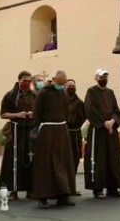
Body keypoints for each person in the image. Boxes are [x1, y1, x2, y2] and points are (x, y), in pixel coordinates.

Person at [32, 71, 76, 209]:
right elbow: (37, 114)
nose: (62, 86)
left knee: (63, 163)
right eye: (60, 83)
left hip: (61, 131)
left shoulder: (63, 93)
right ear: (54, 79)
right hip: (47, 131)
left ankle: (63, 195)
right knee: (45, 164)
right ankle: (42, 197)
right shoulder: (43, 93)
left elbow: (66, 112)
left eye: (63, 84)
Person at [83, 69, 120, 198]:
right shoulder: (91, 91)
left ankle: (113, 188)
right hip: (98, 131)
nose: (104, 79)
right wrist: (103, 123)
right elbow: (90, 109)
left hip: (110, 131)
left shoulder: (110, 92)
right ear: (96, 78)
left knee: (113, 159)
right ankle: (98, 188)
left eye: (106, 76)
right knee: (98, 159)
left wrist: (113, 121)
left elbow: (116, 111)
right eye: (101, 76)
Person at [0, 71, 36, 200]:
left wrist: (32, 114)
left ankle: (30, 189)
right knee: (14, 161)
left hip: (30, 132)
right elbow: (3, 114)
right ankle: (13, 190)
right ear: (19, 80)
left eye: (29, 81)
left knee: (30, 160)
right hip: (15, 132)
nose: (27, 83)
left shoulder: (35, 95)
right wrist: (17, 115)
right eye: (24, 80)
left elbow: (39, 112)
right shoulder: (10, 95)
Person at [64, 79, 85, 196]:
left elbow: (84, 116)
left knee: (75, 159)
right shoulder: (61, 100)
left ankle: (72, 187)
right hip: (64, 133)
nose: (71, 87)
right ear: (65, 87)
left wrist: (78, 124)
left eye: (73, 85)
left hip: (76, 133)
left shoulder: (79, 102)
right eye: (69, 85)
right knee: (64, 160)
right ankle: (63, 187)